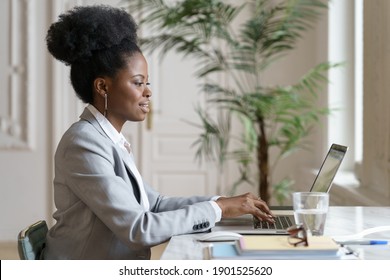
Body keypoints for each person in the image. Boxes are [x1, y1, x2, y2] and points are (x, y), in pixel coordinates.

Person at [43, 4, 274, 260]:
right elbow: (138, 229)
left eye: (147, 83)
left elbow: (154, 204)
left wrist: (224, 202)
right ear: (102, 87)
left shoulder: (107, 138)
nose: (148, 92)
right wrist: (217, 209)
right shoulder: (84, 143)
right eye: (138, 82)